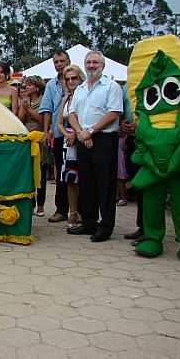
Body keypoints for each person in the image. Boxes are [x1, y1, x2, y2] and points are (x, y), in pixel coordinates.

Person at [67, 50, 123, 242]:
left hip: (104, 140)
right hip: (83, 139)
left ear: (103, 65)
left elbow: (113, 113)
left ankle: (105, 227)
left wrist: (90, 131)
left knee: (105, 185)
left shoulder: (111, 86)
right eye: (88, 62)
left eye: (95, 62)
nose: (91, 66)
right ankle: (89, 223)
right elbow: (72, 114)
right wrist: (82, 132)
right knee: (86, 184)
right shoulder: (80, 89)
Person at [38, 50, 71, 223]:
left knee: (77, 173)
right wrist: (46, 131)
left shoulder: (78, 81)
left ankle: (78, 210)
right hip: (59, 134)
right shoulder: (51, 85)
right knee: (60, 173)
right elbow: (46, 110)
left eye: (62, 61)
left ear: (68, 61)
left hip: (77, 134)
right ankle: (61, 209)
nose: (59, 64)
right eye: (56, 62)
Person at [56, 65, 85, 228]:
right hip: (69, 144)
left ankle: (85, 211)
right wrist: (67, 134)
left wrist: (77, 132)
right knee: (70, 179)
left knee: (84, 178)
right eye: (68, 79)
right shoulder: (65, 99)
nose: (71, 81)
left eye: (74, 78)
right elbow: (59, 122)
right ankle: (72, 212)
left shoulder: (87, 96)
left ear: (81, 78)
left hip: (84, 138)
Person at [18, 75, 46, 217]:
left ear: (37, 87)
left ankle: (41, 205)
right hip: (27, 139)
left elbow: (43, 120)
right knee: (28, 173)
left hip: (40, 139)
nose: (26, 87)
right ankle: (31, 203)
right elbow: (20, 120)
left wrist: (29, 109)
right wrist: (24, 107)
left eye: (29, 85)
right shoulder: (25, 100)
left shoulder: (44, 100)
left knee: (40, 173)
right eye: (25, 85)